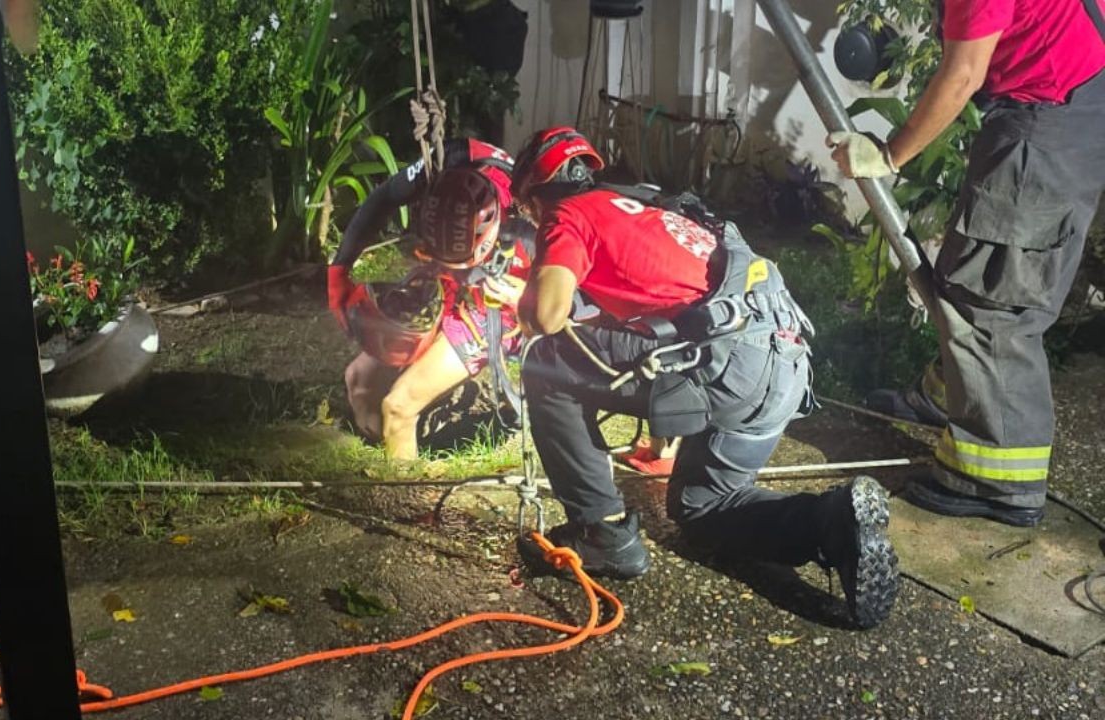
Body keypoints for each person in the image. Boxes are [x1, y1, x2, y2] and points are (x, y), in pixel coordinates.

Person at [512, 126, 900, 629]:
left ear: (537, 193)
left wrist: (523, 300)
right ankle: (831, 523)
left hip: (730, 364)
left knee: (546, 361)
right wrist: (661, 444)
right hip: (783, 363)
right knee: (702, 508)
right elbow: (667, 319)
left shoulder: (569, 213)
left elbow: (546, 316)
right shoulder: (649, 205)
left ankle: (602, 535)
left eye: (524, 210)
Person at [828, 0, 1105, 526]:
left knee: (993, 298)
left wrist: (889, 155)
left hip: (1048, 118)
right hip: (1063, 105)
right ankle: (954, 396)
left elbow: (963, 75)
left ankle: (998, 479)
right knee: (974, 273)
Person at [328, 139, 531, 460]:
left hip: (493, 306)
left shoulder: (530, 215)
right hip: (445, 281)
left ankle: (407, 493)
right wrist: (338, 271)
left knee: (398, 407)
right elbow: (383, 198)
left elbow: (570, 306)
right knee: (359, 382)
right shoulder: (449, 159)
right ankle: (391, 453)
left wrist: (525, 298)